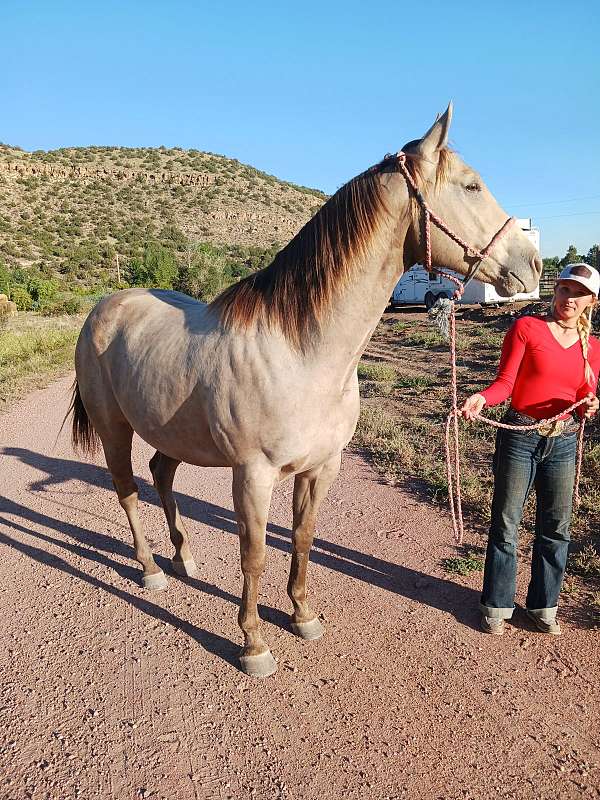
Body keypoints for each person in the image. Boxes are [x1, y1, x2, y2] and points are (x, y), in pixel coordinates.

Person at [460, 263, 600, 636]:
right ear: (555, 291)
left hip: (564, 439)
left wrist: (589, 405)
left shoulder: (594, 348)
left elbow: (585, 394)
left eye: (578, 293)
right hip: (521, 435)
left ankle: (543, 605)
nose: (569, 298)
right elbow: (505, 382)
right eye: (564, 289)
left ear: (591, 301)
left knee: (556, 526)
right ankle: (497, 604)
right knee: (506, 521)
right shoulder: (526, 328)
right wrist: (482, 399)